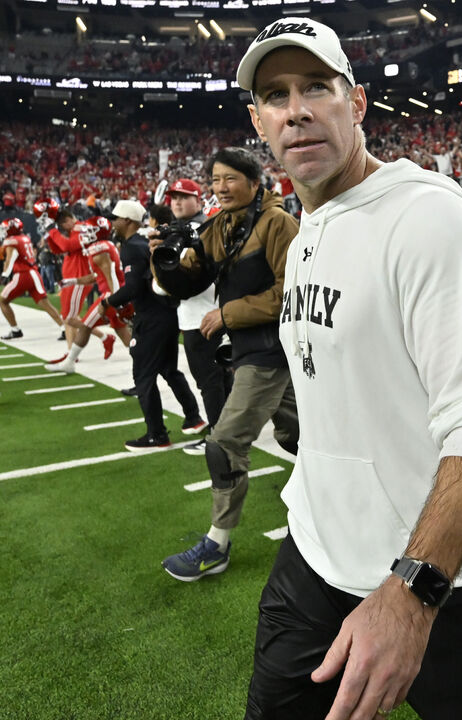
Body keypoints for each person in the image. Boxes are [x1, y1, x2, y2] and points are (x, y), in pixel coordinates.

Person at [237, 19, 462, 718]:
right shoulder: (307, 225)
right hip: (313, 554)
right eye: (276, 95)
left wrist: (413, 591)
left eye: (316, 87)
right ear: (259, 122)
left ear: (357, 103)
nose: (296, 110)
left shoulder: (426, 215)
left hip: (432, 579)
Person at [155, 148, 300, 581]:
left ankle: (216, 545)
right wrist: (162, 257)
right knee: (300, 437)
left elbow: (292, 292)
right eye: (215, 180)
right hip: (248, 349)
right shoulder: (220, 225)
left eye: (230, 178)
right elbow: (188, 281)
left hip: (273, 350)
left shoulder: (278, 223)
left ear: (255, 183)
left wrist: (228, 314)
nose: (220, 187)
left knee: (224, 443)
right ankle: (348, 496)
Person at [100, 199, 205, 451]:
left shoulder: (132, 247)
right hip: (166, 315)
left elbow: (134, 287)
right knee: (169, 370)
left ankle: (156, 434)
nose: (113, 223)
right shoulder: (140, 244)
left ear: (128, 221)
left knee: (143, 375)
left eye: (116, 219)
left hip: (152, 318)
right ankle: (193, 417)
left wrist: (108, 302)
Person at [156, 178, 229, 455]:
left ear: (199, 200)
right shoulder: (202, 227)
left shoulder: (199, 230)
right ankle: (229, 432)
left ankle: (219, 437)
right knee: (221, 379)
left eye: (184, 197)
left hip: (202, 315)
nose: (176, 202)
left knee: (210, 381)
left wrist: (157, 259)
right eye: (174, 197)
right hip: (211, 312)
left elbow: (167, 284)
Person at [43, 215, 126, 372]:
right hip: (111, 292)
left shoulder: (99, 248)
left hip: (109, 294)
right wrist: (73, 281)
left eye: (89, 231)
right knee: (123, 332)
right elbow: (98, 275)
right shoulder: (103, 245)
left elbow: (111, 276)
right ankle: (146, 359)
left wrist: (117, 299)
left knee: (84, 324)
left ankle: (70, 361)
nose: (85, 233)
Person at [0, 216, 65, 340]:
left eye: (5, 228)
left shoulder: (11, 241)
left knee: (2, 301)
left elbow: (10, 259)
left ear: (11, 229)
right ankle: (64, 328)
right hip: (34, 274)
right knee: (46, 304)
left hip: (23, 274)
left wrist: (4, 275)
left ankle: (15, 330)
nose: (3, 231)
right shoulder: (25, 238)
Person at [41, 206, 91, 359]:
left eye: (62, 225)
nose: (62, 228)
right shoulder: (73, 231)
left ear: (68, 220)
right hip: (71, 279)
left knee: (70, 317)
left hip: (79, 278)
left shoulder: (82, 228)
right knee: (67, 317)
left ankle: (101, 337)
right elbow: (58, 250)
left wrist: (52, 231)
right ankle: (71, 351)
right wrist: (49, 235)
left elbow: (66, 246)